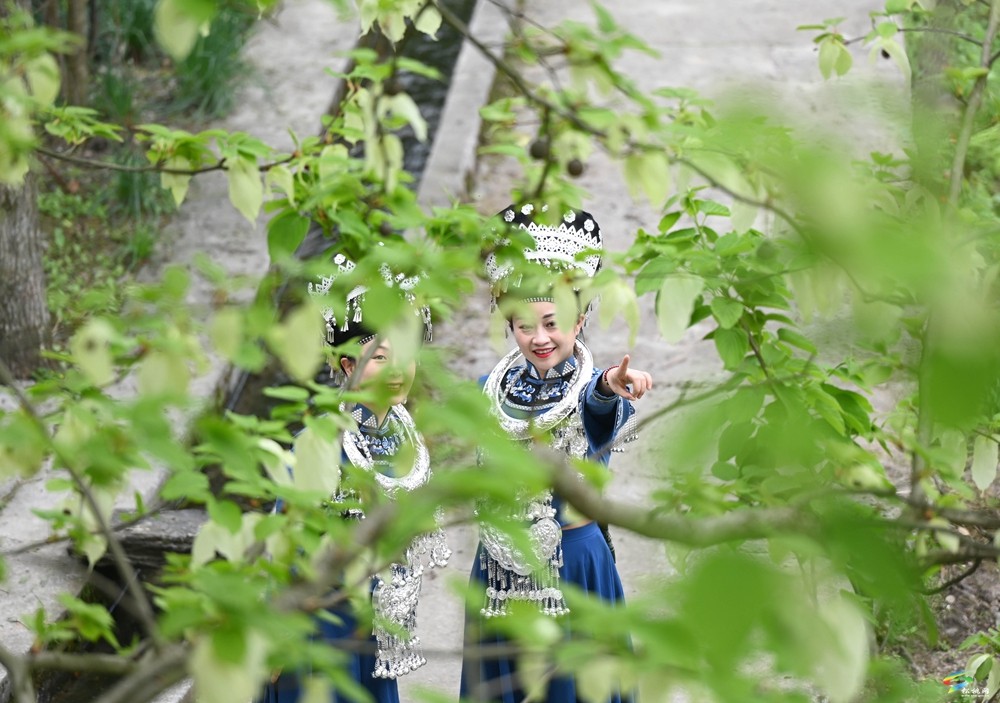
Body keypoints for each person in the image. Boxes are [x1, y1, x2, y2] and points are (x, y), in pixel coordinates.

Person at [460, 205, 652, 703]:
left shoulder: (592, 387)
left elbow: (599, 407)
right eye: (524, 326)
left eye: (553, 322)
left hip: (574, 565)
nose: (539, 338)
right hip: (499, 571)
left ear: (580, 317)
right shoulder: (488, 389)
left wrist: (611, 385)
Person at [263, 254, 450, 703]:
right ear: (348, 366)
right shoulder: (322, 441)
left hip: (376, 623)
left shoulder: (401, 434)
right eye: (378, 357)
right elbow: (283, 538)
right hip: (322, 624)